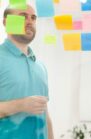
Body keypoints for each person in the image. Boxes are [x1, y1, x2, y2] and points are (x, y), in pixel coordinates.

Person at [0, 5, 53, 139]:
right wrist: (20, 105)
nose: (30, 21)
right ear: (6, 22)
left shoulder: (40, 67)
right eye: (23, 16)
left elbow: (45, 115)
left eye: (33, 17)